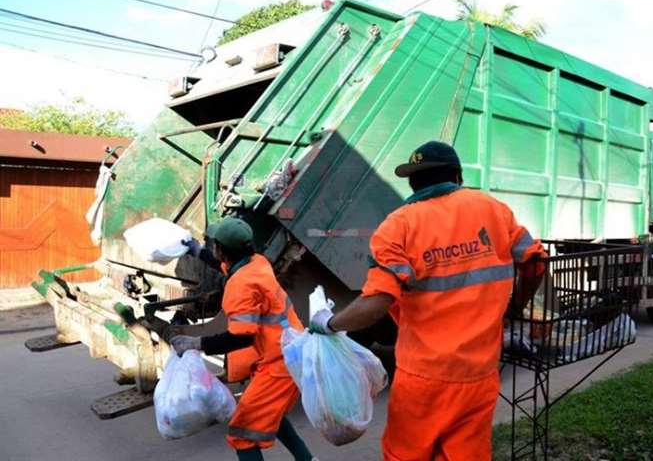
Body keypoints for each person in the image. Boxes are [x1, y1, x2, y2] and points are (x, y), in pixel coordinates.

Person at [309, 141, 547, 461]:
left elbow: (377, 302)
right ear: (458, 176)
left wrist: (328, 323)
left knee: (406, 454)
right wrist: (515, 305)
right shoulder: (493, 209)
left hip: (424, 378)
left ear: (413, 183)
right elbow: (535, 263)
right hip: (480, 372)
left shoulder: (398, 226)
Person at [170, 217, 315, 461]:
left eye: (214, 246)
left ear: (221, 250)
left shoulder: (242, 286)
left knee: (242, 434)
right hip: (290, 351)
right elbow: (228, 266)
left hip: (280, 364)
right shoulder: (258, 263)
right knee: (272, 417)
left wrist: (196, 344)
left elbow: (241, 337)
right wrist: (198, 251)